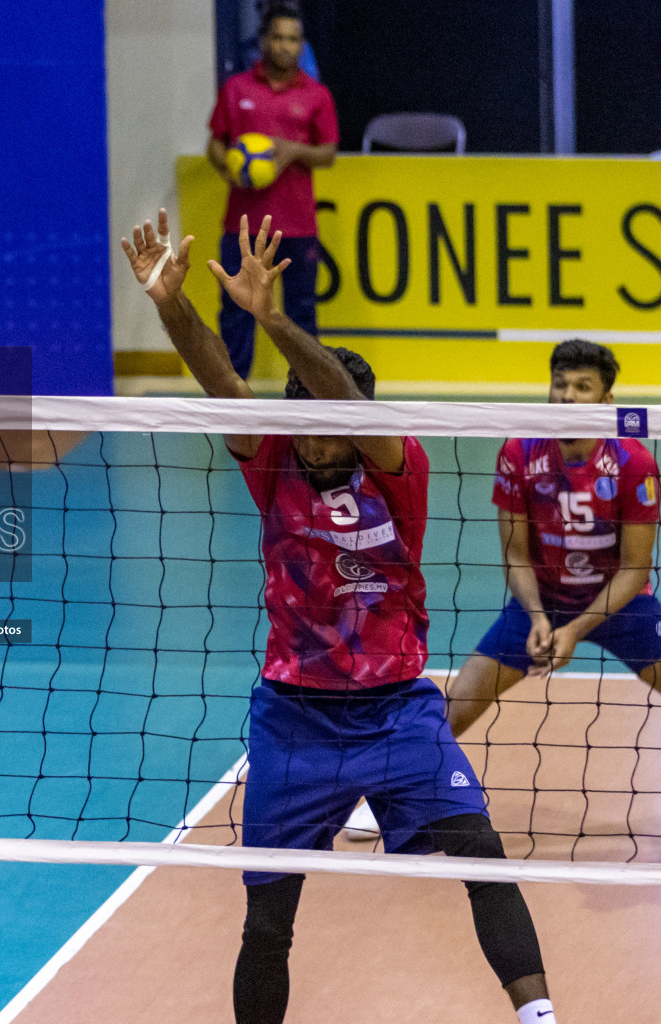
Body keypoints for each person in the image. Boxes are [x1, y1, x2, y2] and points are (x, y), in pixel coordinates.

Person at [122, 210, 557, 1024]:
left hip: (399, 713)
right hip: (294, 721)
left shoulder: (399, 468)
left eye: (338, 417)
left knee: (481, 854)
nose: (325, 434)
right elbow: (222, 380)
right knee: (267, 920)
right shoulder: (271, 463)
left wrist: (274, 319)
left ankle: (540, 1017)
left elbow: (348, 407)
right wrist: (171, 306)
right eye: (310, 419)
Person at [346, 340, 661, 839]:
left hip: (619, 604)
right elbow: (516, 554)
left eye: (583, 388)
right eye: (561, 385)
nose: (568, 397)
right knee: (461, 700)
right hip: (543, 600)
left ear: (606, 401)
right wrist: (538, 617)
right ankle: (389, 798)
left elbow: (636, 569)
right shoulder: (520, 449)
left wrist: (575, 630)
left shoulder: (634, 459)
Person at [206, 1, 337, 379]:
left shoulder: (316, 95)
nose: (284, 46)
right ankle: (233, 395)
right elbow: (215, 144)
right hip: (243, 227)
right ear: (263, 40)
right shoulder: (236, 89)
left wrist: (292, 150)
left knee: (301, 315)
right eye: (278, 37)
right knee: (235, 311)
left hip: (296, 226)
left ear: (302, 45)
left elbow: (327, 154)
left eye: (293, 39)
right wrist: (230, 167)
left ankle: (308, 393)